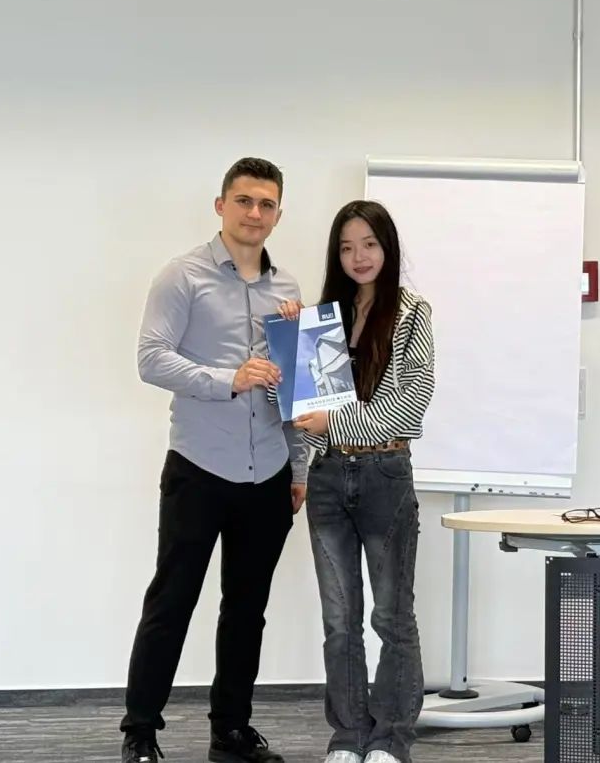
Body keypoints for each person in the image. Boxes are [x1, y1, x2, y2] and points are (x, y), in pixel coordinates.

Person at [122, 157, 308, 763]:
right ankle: (140, 732)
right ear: (221, 205)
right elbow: (151, 358)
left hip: (269, 472)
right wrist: (227, 378)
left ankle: (230, 731)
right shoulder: (182, 276)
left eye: (267, 204)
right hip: (199, 468)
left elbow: (298, 390)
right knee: (172, 601)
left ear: (278, 214)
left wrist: (299, 468)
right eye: (244, 200)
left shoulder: (289, 291)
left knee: (247, 611)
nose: (255, 213)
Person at [279, 200, 435, 763]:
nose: (359, 256)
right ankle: (349, 736)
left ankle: (391, 737)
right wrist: (291, 338)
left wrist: (335, 423)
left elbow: (409, 409)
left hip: (385, 475)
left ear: (387, 247)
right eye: (346, 247)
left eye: (369, 244)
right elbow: (300, 411)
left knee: (392, 617)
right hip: (327, 478)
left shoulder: (413, 313)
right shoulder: (324, 319)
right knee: (339, 621)